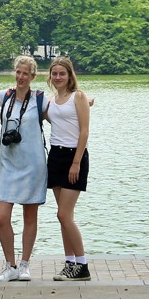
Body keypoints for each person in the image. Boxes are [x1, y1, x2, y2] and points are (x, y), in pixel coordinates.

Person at [0, 56, 48, 282]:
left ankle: (24, 264)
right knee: (1, 216)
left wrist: (84, 101)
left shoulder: (41, 100)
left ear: (33, 76)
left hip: (33, 165)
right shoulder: (4, 96)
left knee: (29, 216)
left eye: (26, 73)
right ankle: (9, 265)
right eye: (18, 72)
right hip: (8, 164)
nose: (21, 77)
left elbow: (66, 104)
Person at [46, 56, 92, 281]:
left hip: (74, 157)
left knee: (63, 214)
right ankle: (70, 263)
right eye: (54, 74)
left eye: (62, 74)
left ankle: (82, 265)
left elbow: (84, 131)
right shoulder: (52, 100)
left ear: (69, 75)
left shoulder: (79, 96)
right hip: (55, 155)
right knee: (64, 217)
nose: (58, 77)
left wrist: (76, 162)